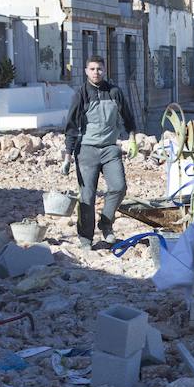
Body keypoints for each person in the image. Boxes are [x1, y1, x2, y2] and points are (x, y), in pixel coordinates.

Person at [62, 55, 137, 249]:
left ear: (105, 71)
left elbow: (128, 117)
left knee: (119, 187)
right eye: (93, 69)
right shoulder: (81, 94)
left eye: (100, 69)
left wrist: (133, 138)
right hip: (86, 150)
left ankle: (106, 223)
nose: (96, 72)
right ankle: (86, 238)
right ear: (86, 71)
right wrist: (67, 156)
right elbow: (71, 126)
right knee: (87, 195)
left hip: (110, 149)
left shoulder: (114, 92)